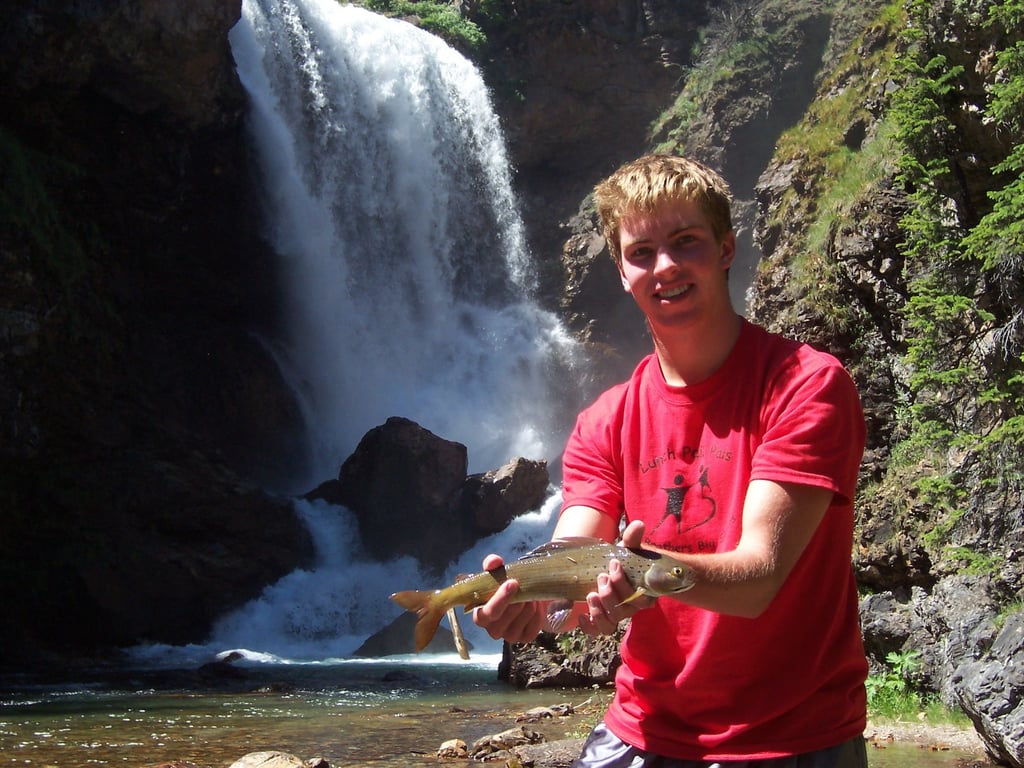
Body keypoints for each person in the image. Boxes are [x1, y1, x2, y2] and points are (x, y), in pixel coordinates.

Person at [473, 153, 869, 767]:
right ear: (621, 271)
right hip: (644, 727)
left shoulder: (806, 385)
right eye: (641, 252)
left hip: (787, 735)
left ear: (727, 247)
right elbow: (576, 567)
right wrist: (535, 606)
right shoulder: (604, 420)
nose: (665, 267)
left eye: (686, 242)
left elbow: (760, 577)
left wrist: (634, 568)